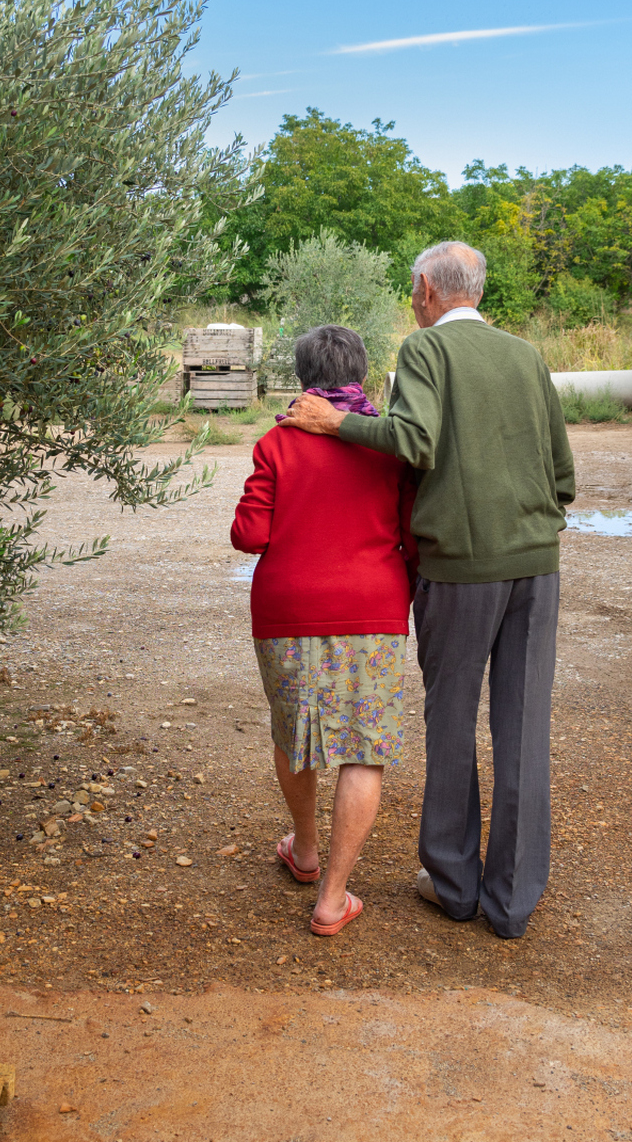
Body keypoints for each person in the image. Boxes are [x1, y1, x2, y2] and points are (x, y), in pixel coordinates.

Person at [279, 242, 576, 940]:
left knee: (450, 723)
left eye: (413, 293)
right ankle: (511, 904)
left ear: (425, 292)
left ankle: (453, 883)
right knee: (525, 729)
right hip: (537, 565)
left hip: (458, 569)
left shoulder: (424, 352)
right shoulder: (527, 355)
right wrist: (534, 525)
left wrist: (336, 422)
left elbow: (413, 439)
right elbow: (563, 471)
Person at [231, 324, 417, 936]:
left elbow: (250, 536)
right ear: (361, 371)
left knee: (294, 734)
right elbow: (415, 536)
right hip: (372, 607)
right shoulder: (388, 444)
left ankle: (304, 852)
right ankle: (333, 899)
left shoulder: (276, 442)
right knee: (362, 749)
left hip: (287, 609)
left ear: (303, 375)